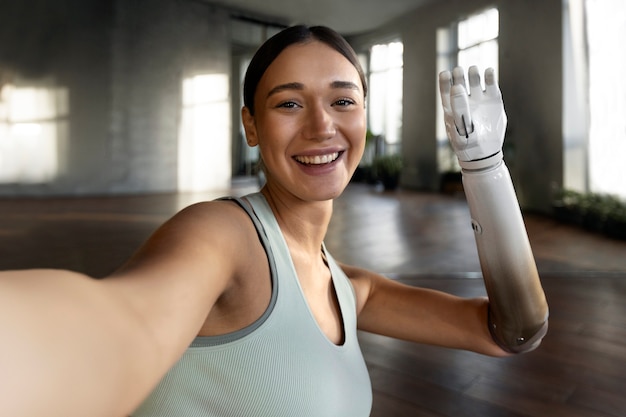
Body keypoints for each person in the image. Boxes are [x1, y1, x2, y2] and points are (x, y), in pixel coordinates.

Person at [0, 25, 548, 417]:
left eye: (343, 101)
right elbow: (120, 325)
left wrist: (484, 168)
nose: (320, 127)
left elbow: (513, 333)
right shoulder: (222, 235)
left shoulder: (348, 288)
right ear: (251, 125)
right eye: (288, 104)